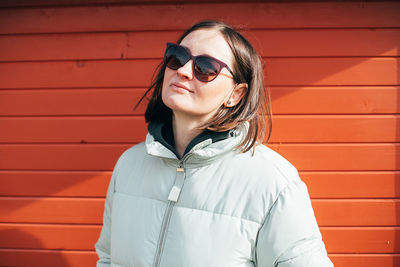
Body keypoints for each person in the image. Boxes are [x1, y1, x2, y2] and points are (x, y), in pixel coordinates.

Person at [95, 20, 333, 267]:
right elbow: (109, 258)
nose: (183, 71)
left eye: (206, 67)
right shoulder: (130, 164)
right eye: (177, 56)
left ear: (236, 95)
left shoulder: (272, 182)